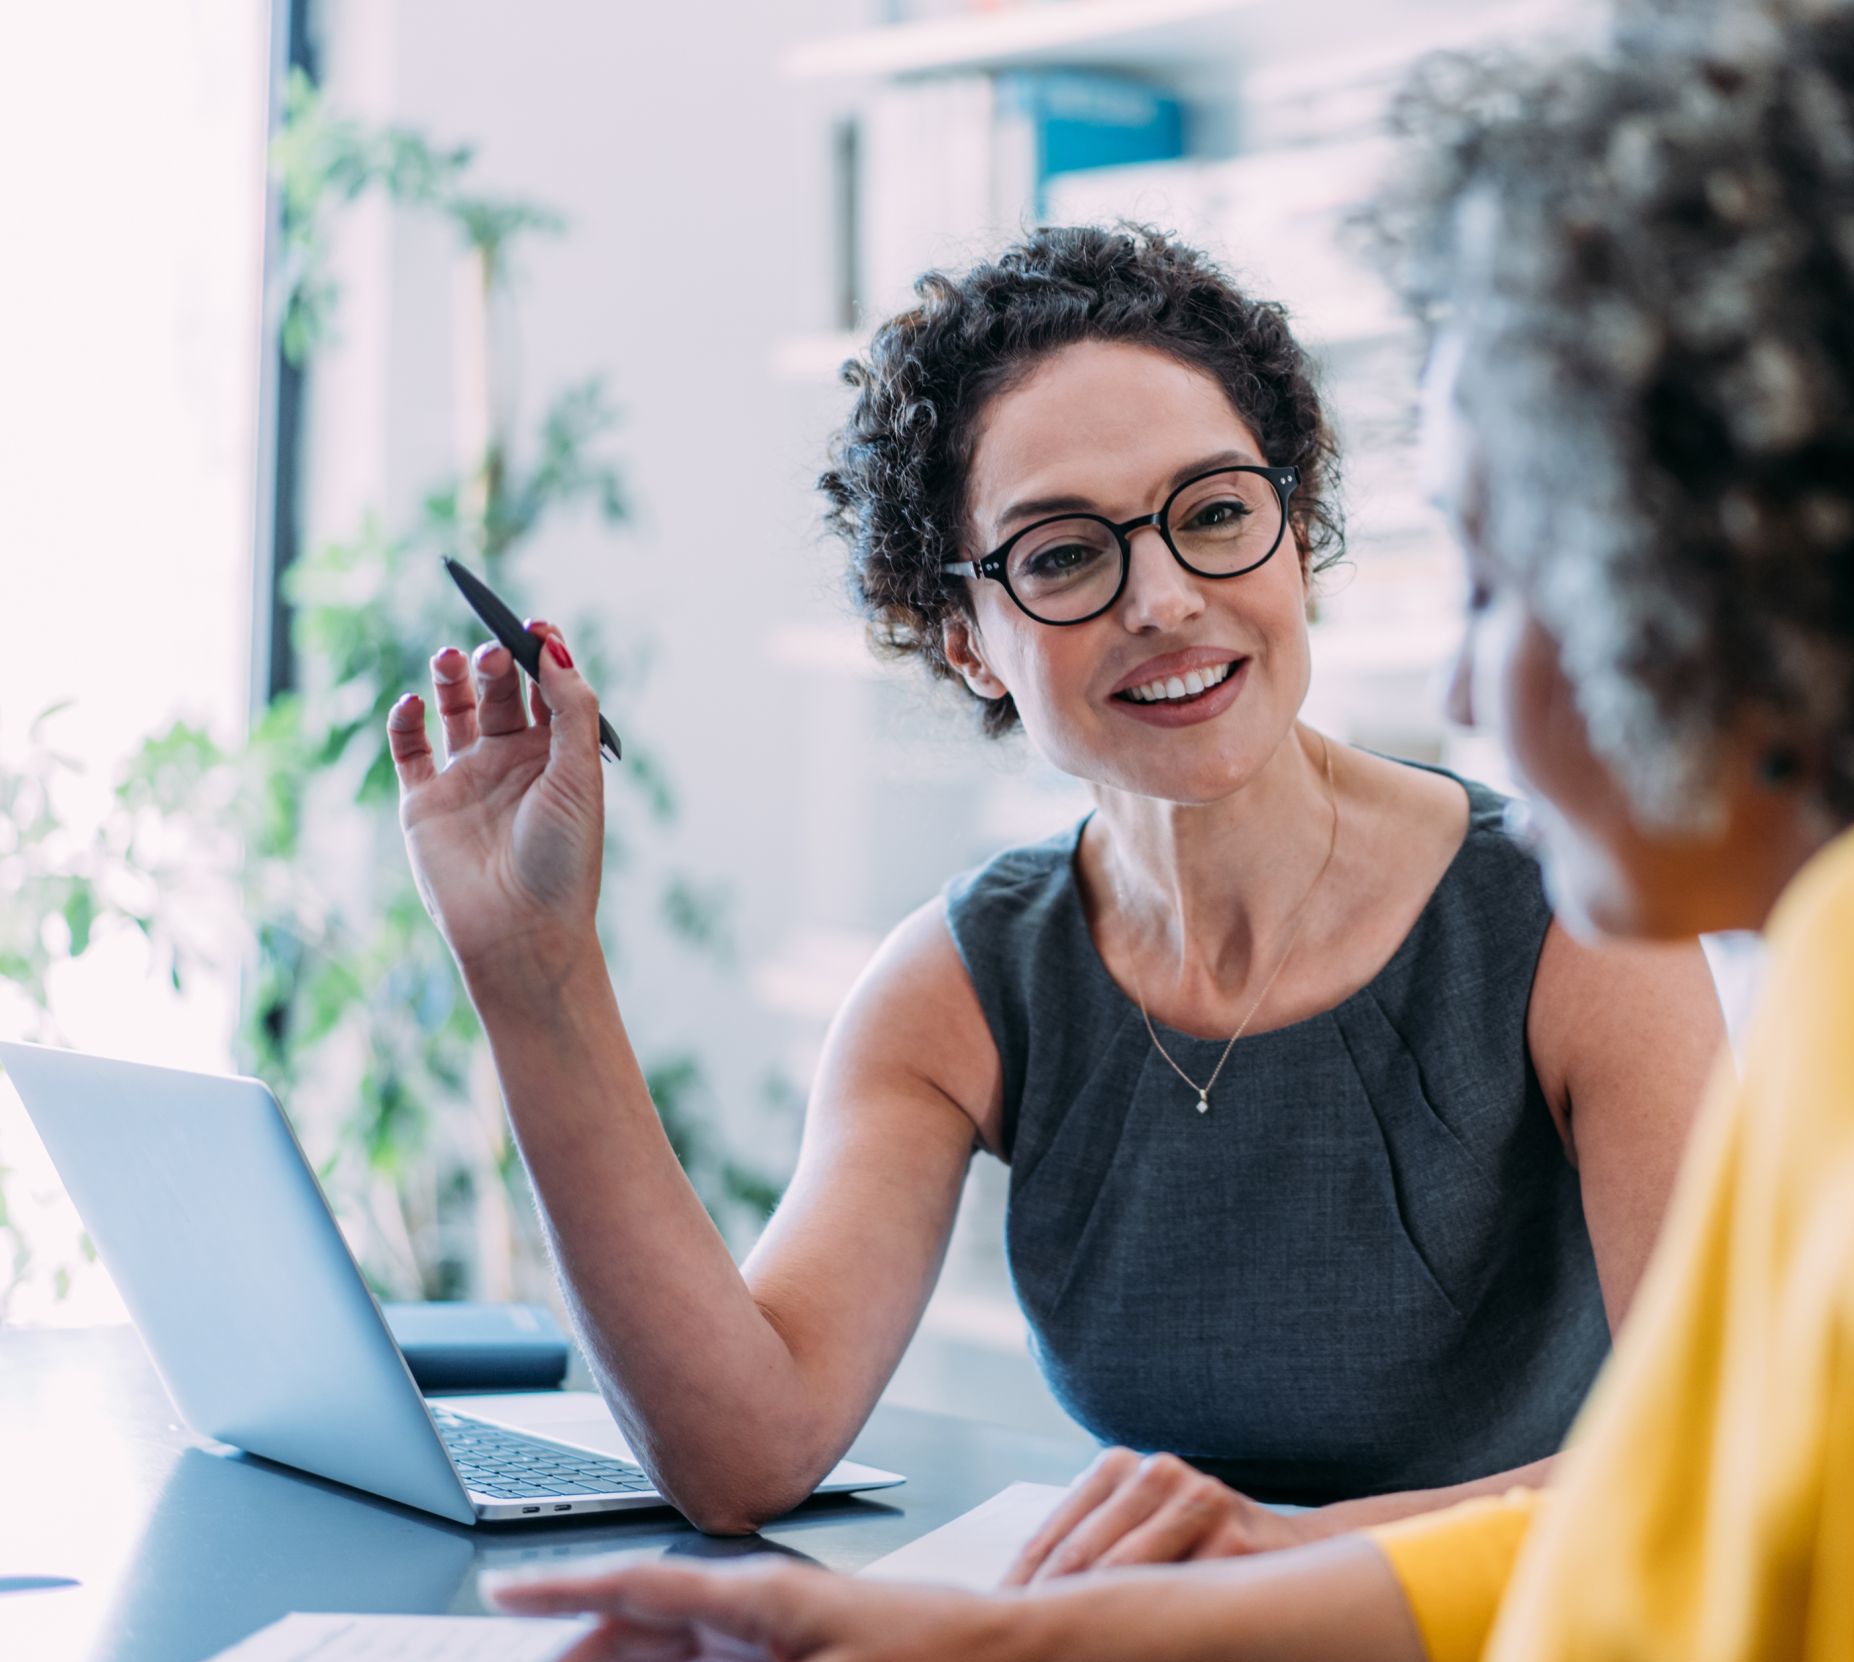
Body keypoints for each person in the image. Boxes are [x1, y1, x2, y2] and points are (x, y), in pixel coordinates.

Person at [485, 2, 1854, 1662]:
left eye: (1497, 578)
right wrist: (1040, 1654)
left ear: (1742, 567)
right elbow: (1704, 1536)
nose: (1466, 702)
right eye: (1063, 557)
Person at [385, 225, 1722, 1556]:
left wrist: (1280, 1561)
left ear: (1297, 538)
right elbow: (743, 1449)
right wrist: (532, 963)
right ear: (964, 641)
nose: (1164, 599)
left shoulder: (1580, 922)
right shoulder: (960, 986)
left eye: (1215, 515)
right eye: (1065, 554)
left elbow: (1724, 1457)